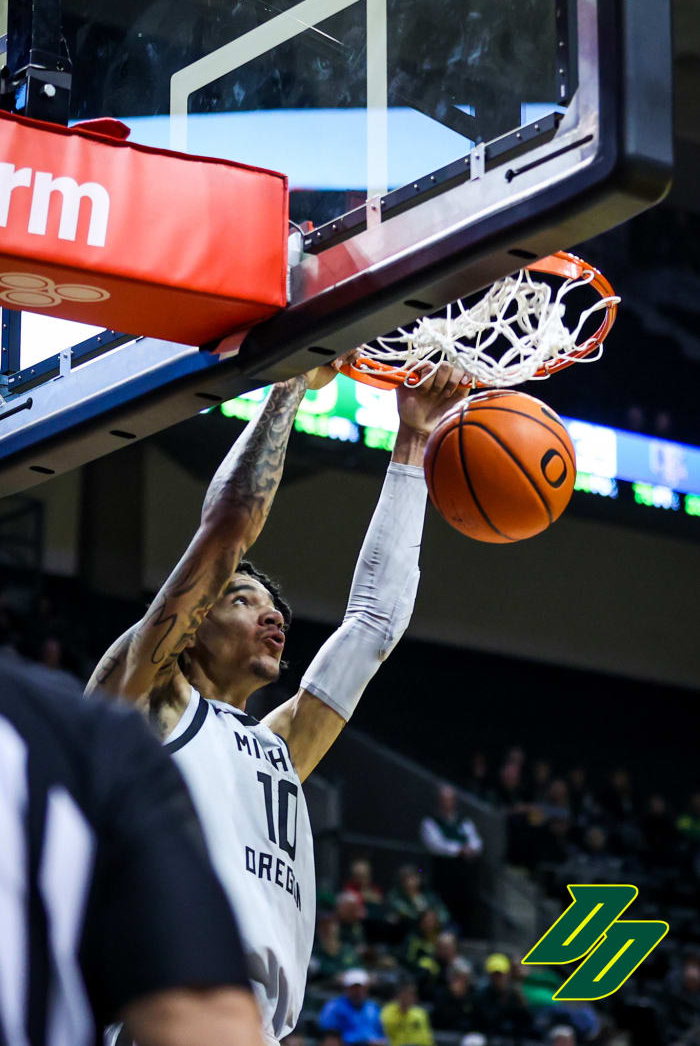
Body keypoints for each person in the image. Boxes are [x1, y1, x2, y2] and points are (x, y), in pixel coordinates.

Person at [88, 360, 469, 1043]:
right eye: (243, 599)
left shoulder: (277, 747)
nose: (273, 618)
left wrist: (412, 443)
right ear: (194, 618)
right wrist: (292, 379)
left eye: (276, 608)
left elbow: (374, 626)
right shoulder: (146, 697)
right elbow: (230, 524)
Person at [0, 652, 263, 1046]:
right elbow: (201, 1014)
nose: (273, 617)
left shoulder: (269, 743)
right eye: (241, 597)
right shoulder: (93, 734)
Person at [419, 784, 482, 934]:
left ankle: (464, 935)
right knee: (444, 906)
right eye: (444, 800)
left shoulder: (463, 821)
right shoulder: (431, 821)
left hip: (464, 873)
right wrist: (458, 849)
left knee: (465, 905)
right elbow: (435, 844)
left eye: (450, 799)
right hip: (443, 873)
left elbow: (476, 841)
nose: (447, 803)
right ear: (439, 801)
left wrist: (471, 849)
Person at [319, 969, 386, 1045]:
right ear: (346, 988)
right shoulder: (334, 1007)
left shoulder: (373, 1008)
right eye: (354, 988)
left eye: (361, 988)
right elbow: (329, 1037)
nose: (358, 991)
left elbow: (382, 1034)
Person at [380, 979, 434, 1046]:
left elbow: (426, 1038)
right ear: (398, 995)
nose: (408, 998)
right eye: (405, 994)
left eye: (411, 994)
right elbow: (385, 1035)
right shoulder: (387, 1012)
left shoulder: (420, 1013)